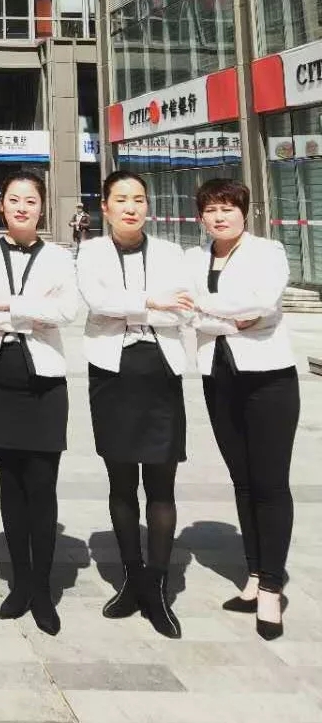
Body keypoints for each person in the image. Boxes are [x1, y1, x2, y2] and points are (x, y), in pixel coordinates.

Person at [77, 169, 193, 639]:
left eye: (139, 199)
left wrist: (140, 305)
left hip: (160, 370)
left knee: (161, 484)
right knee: (121, 482)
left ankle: (158, 586)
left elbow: (182, 308)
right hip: (112, 372)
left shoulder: (170, 253)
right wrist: (152, 302)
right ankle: (131, 578)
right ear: (104, 207)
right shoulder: (90, 251)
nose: (131, 207)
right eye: (121, 199)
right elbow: (98, 302)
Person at [188, 178, 299, 640]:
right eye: (211, 210)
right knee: (243, 481)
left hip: (269, 380)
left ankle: (272, 587)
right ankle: (253, 573)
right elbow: (186, 314)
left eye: (228, 208)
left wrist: (208, 312)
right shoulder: (194, 258)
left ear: (245, 212)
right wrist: (230, 318)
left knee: (270, 484)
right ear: (201, 217)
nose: (220, 216)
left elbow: (261, 304)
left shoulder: (268, 252)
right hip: (219, 378)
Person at [0, 171, 77, 636]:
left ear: (42, 207)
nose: (21, 207)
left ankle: (43, 589)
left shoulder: (60, 256)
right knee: (10, 485)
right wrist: (33, 307)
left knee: (42, 486)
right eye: (13, 199)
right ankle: (20, 583)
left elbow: (67, 311)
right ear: (1, 205)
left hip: (45, 381)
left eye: (30, 200)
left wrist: (9, 304)